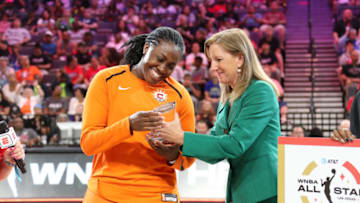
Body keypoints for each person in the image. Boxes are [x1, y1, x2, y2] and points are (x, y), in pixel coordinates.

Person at [153, 28, 280, 203]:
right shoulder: (227, 97)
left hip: (266, 191)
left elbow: (235, 144)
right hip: (241, 192)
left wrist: (180, 136)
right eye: (212, 60)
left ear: (240, 58)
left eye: (219, 59)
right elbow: (215, 149)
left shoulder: (260, 91)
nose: (213, 67)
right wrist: (175, 146)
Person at [80, 27, 196, 203]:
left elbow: (186, 159)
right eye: (160, 59)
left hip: (159, 195)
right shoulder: (106, 80)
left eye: (170, 66)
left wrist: (172, 155)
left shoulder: (179, 94)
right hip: (107, 193)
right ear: (146, 48)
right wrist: (129, 125)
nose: (163, 69)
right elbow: (89, 144)